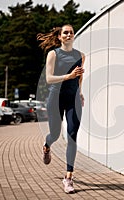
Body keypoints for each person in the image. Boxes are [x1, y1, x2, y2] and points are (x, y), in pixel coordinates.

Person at [37, 24, 85, 194]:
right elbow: (49, 79)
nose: (68, 34)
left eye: (71, 32)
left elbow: (79, 77)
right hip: (55, 99)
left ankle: (69, 178)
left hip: (73, 100)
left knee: (72, 136)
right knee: (55, 134)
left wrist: (80, 93)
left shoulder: (81, 56)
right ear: (59, 36)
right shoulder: (53, 54)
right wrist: (68, 76)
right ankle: (46, 145)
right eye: (65, 32)